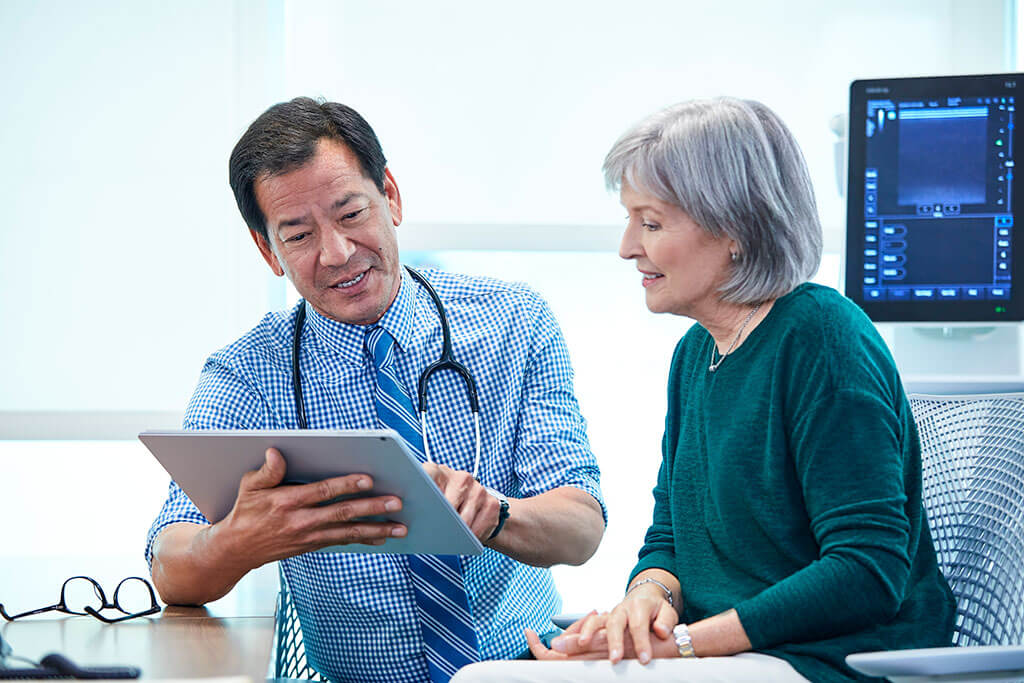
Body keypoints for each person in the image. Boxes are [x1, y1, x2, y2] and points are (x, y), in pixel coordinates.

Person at [452, 98, 955, 682]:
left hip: (835, 659)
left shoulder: (823, 336)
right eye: (629, 219)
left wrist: (685, 644)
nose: (627, 247)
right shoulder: (697, 353)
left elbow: (867, 570)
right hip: (738, 655)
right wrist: (646, 603)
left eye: (651, 223)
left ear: (735, 228)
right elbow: (671, 535)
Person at [145, 97, 606, 683]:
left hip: (521, 668)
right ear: (269, 251)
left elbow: (582, 526)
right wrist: (240, 540)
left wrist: (496, 516)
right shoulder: (247, 373)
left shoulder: (515, 320)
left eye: (351, 213)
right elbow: (170, 561)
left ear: (390, 195)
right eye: (299, 234)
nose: (336, 253)